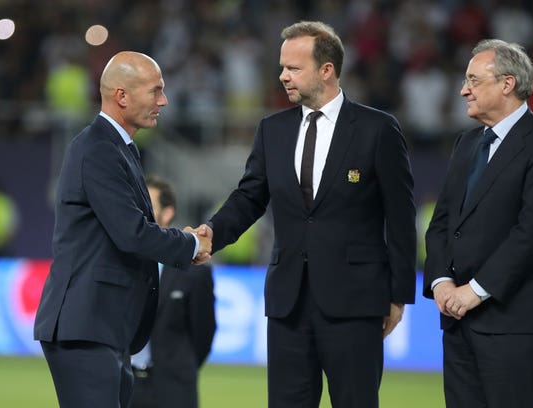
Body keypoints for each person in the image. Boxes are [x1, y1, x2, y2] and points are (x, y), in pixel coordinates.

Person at [196, 21, 416, 408]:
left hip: (355, 303)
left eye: (293, 68)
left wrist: (398, 296)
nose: (283, 76)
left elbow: (400, 216)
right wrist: (212, 232)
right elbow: (249, 197)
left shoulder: (377, 129)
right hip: (288, 303)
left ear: (326, 70)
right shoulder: (272, 130)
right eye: (282, 67)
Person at [33, 51, 211, 408]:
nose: (164, 100)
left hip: (107, 328)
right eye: (155, 90)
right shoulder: (98, 149)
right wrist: (191, 244)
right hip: (86, 328)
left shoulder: (119, 148)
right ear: (122, 96)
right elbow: (132, 233)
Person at [423, 39, 533, 408]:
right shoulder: (466, 143)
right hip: (457, 319)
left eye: (474, 80)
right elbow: (442, 221)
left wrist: (473, 291)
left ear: (507, 84)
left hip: (514, 320)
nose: (463, 90)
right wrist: (442, 282)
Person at [131, 175, 217, 408]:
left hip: (173, 389)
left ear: (167, 213)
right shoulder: (121, 263)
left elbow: (203, 332)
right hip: (125, 385)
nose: (140, 211)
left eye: (148, 205)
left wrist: (180, 368)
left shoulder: (194, 270)